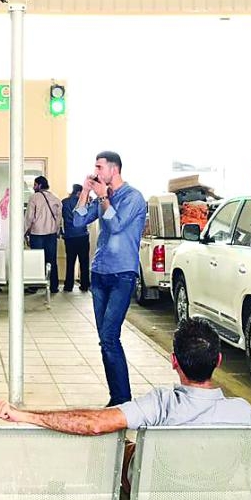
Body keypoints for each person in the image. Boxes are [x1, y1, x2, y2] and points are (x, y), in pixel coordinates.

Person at [0, 318, 251, 500]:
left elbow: (94, 425)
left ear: (174, 361)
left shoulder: (162, 403)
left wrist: (26, 415)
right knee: (192, 461)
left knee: (112, 447)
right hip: (210, 494)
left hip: (160, 486)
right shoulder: (244, 413)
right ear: (218, 361)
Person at [73, 150, 146, 406]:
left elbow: (115, 226)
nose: (96, 171)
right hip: (100, 273)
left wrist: (103, 196)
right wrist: (85, 191)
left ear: (113, 170)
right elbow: (77, 220)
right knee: (105, 340)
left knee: (110, 336)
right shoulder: (104, 196)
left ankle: (122, 398)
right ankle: (117, 397)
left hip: (122, 275)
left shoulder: (133, 198)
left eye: (99, 167)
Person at [24, 175, 61, 295]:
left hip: (37, 233)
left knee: (37, 260)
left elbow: (29, 217)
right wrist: (56, 231)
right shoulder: (56, 198)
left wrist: (24, 232)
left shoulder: (34, 197)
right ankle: (54, 286)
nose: (34, 187)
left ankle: (34, 286)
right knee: (51, 260)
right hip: (51, 234)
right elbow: (59, 218)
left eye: (35, 185)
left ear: (39, 185)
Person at [62, 183, 90, 293]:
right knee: (84, 261)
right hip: (82, 235)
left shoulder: (64, 202)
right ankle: (84, 284)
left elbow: (62, 217)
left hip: (69, 236)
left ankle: (68, 286)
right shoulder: (83, 203)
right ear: (79, 192)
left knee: (70, 261)